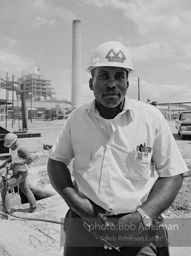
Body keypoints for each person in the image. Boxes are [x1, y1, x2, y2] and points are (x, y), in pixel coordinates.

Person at [47, 41, 188, 256]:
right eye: (103, 75)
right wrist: (78, 205)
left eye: (119, 76)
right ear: (90, 82)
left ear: (127, 83)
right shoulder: (76, 119)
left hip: (138, 230)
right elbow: (56, 161)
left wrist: (144, 216)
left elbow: (173, 174)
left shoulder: (151, 119)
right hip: (84, 225)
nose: (112, 83)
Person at [0, 133, 37, 213]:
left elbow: (30, 159)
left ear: (15, 142)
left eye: (10, 145)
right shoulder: (13, 149)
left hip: (21, 173)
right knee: (25, 189)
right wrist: (6, 162)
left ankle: (6, 209)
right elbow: (12, 157)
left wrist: (16, 163)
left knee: (4, 188)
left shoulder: (22, 149)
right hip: (17, 171)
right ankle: (34, 206)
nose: (9, 147)